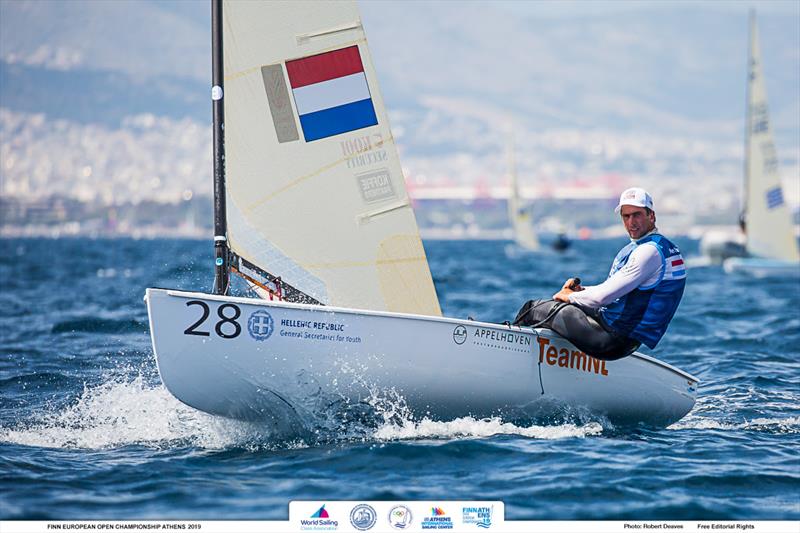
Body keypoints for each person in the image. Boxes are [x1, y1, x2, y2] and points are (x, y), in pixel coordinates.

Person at [513, 187, 686, 360]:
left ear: (652, 216)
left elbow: (601, 298)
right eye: (626, 216)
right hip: (624, 337)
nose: (631, 222)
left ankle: (511, 356)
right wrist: (580, 292)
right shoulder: (663, 247)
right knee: (561, 308)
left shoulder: (648, 252)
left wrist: (568, 296)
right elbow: (615, 292)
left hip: (610, 340)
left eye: (637, 214)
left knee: (533, 309)